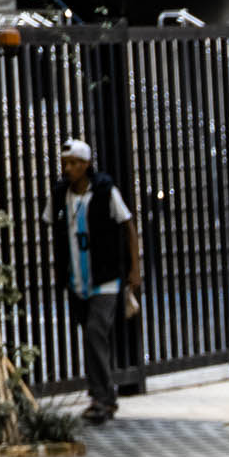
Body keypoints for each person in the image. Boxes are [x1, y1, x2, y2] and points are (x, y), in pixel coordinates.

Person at [51, 138, 141, 425]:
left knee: (94, 333)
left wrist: (134, 269)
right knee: (93, 338)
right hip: (77, 277)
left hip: (106, 278)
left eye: (75, 163)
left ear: (87, 164)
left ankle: (101, 397)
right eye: (66, 163)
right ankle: (105, 395)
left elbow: (128, 226)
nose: (69, 168)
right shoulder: (60, 194)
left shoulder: (104, 191)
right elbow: (52, 228)